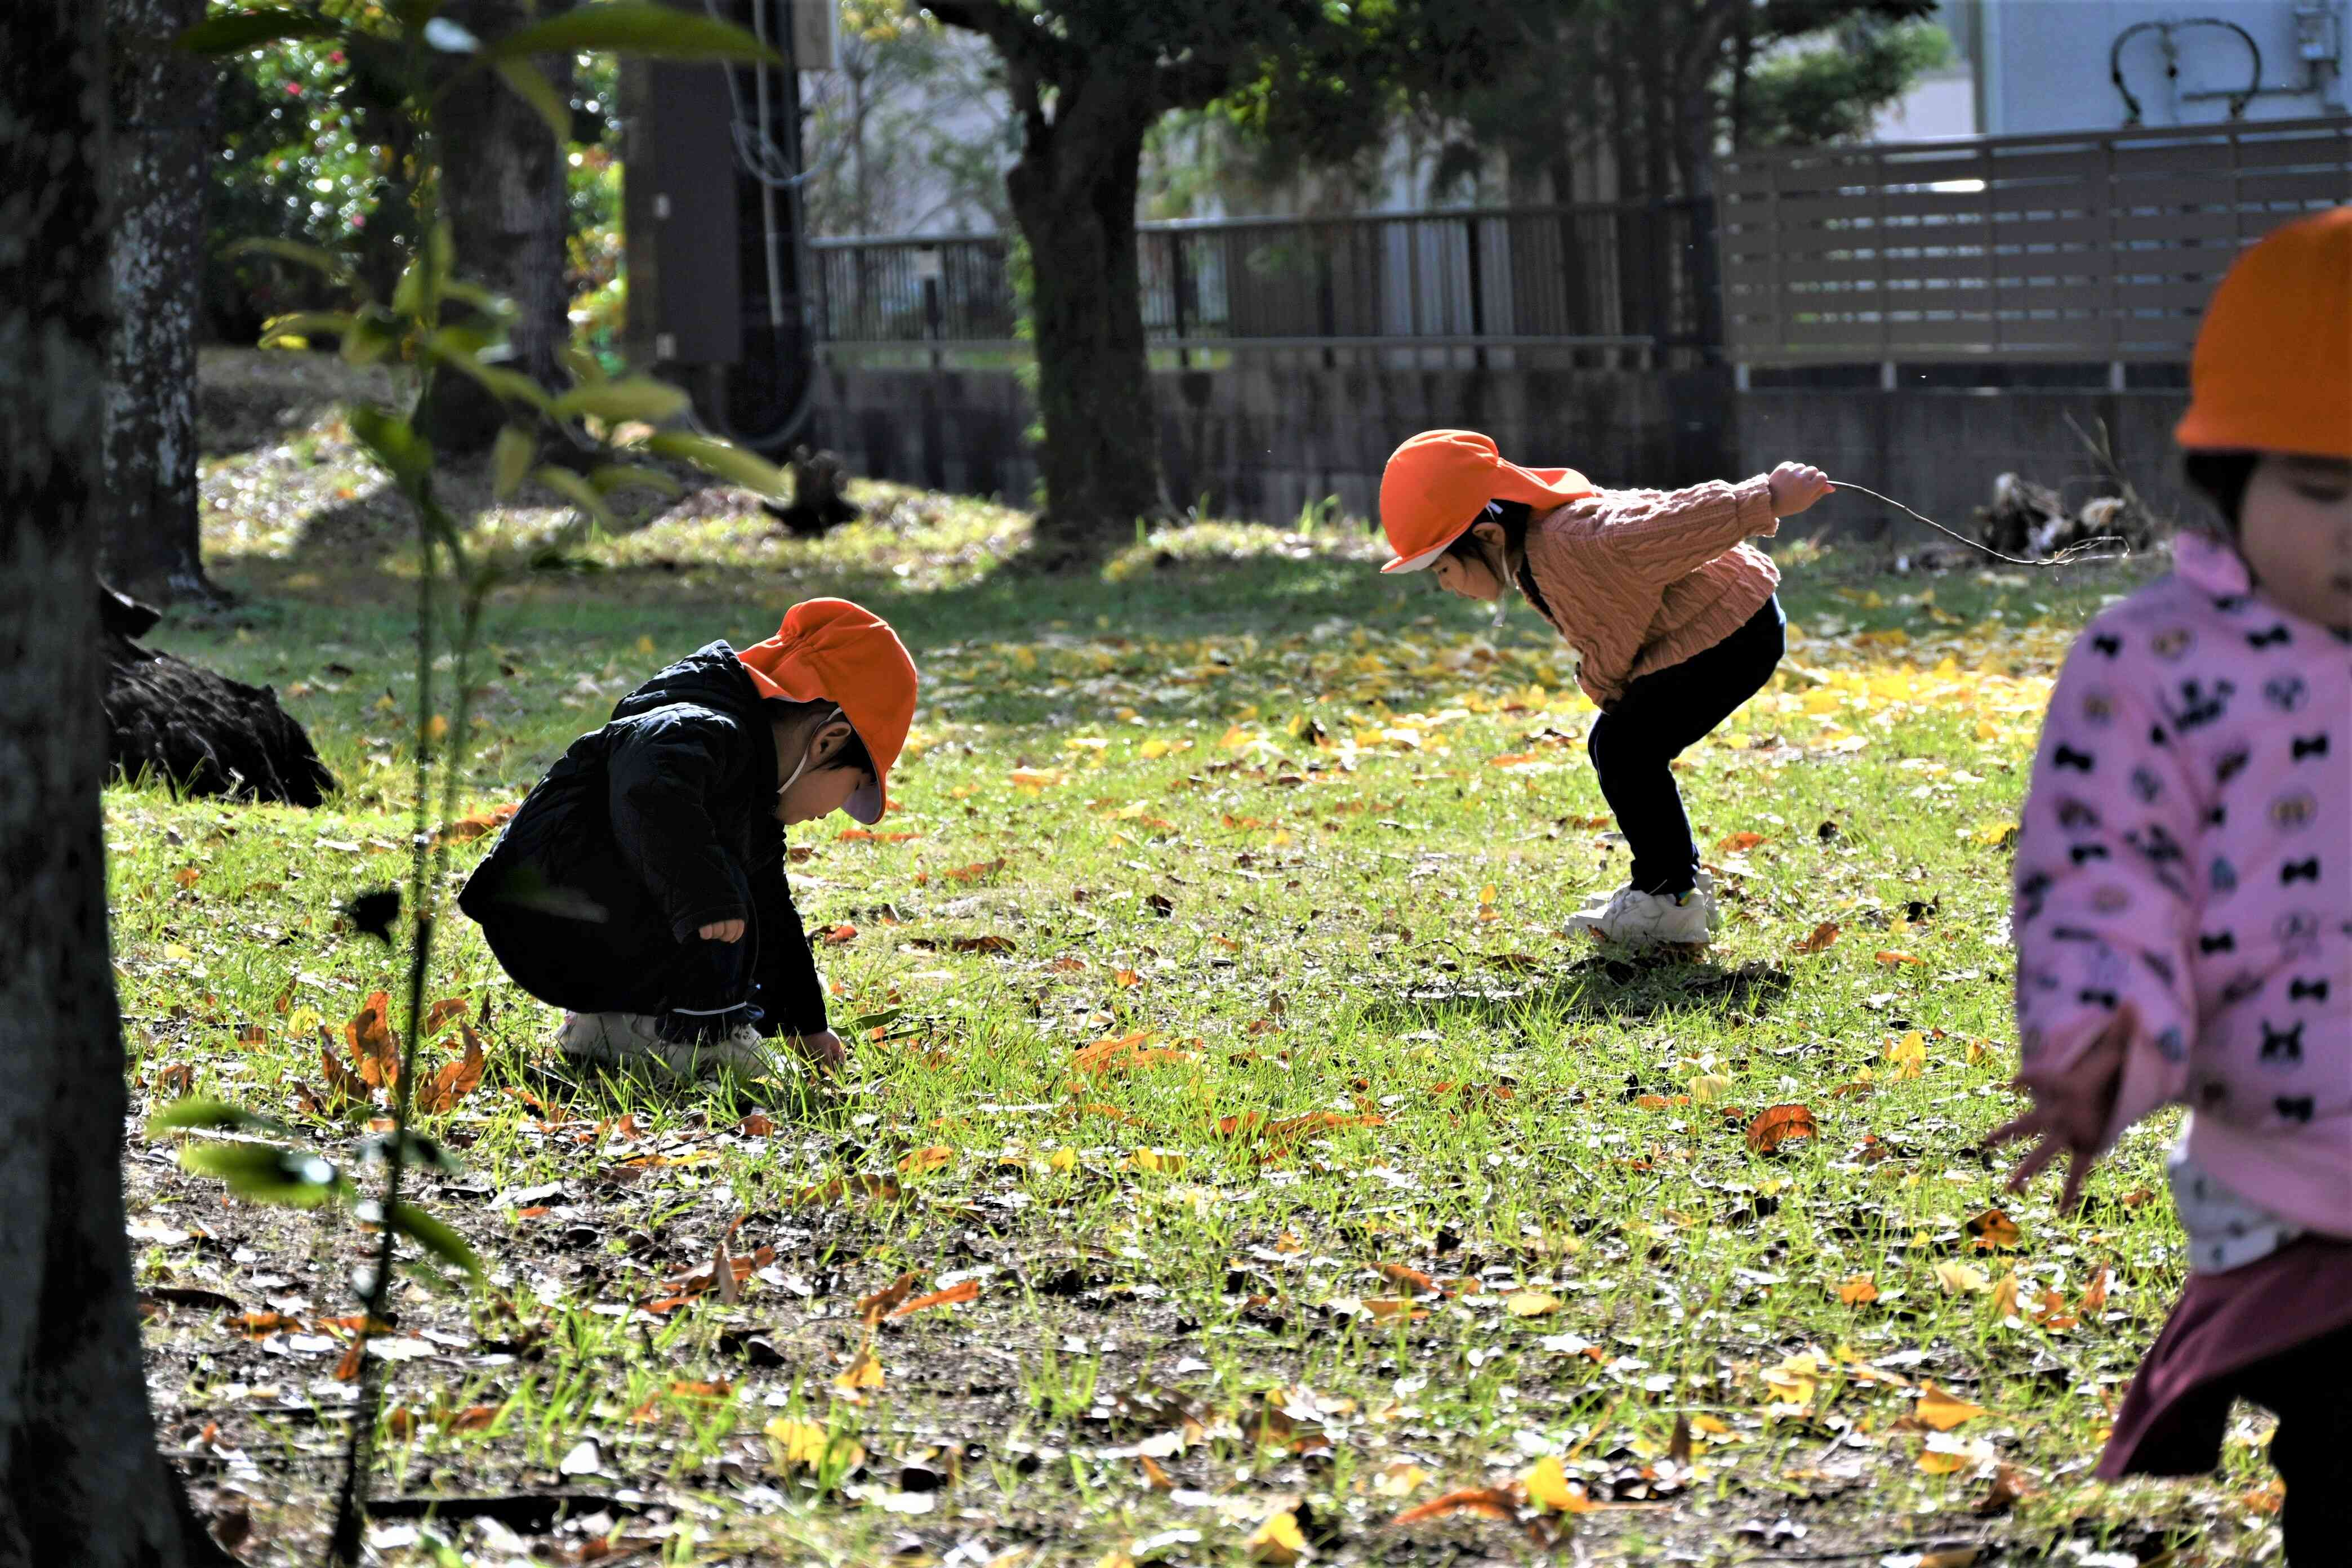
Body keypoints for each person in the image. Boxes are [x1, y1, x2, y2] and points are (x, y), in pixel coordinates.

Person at [1988, 206, 2350, 1564]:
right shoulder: (2162, 668)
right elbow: (2104, 874)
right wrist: (2107, 1040)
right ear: (2229, 476)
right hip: (2304, 1187)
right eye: (2321, 489)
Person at [1375, 429, 1833, 948]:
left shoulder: (1574, 539)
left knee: (1625, 749)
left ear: (1488, 537)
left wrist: (1766, 497)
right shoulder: (1539, 550)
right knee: (1617, 744)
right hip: (1711, 635)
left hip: (1730, 633)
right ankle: (1677, 888)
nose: (1444, 582)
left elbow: (1669, 520)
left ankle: (1668, 899)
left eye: (1443, 566)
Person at [458, 597, 918, 1079]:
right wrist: (704, 891)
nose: (829, 814)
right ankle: (700, 1040)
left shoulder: (746, 775)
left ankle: (616, 1026)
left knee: (744, 884)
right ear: (827, 740)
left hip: (572, 921)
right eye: (852, 789)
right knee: (717, 883)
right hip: (554, 905)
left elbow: (772, 909)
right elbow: (646, 786)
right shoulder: (703, 728)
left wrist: (807, 1025)